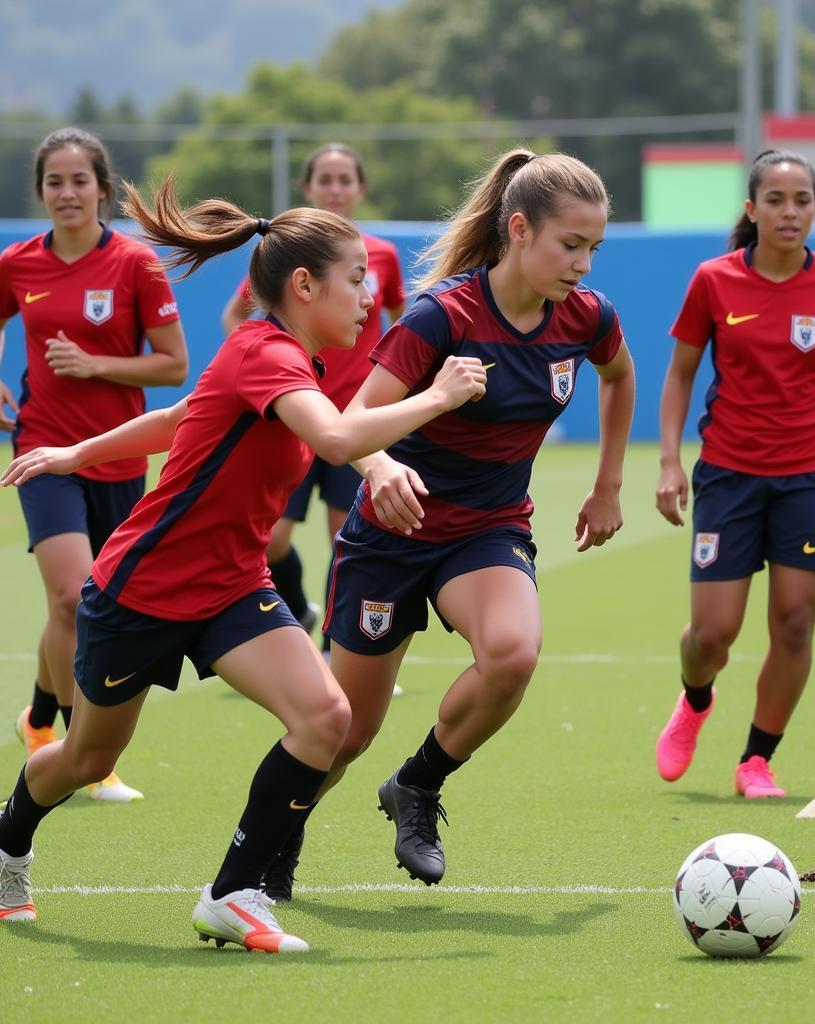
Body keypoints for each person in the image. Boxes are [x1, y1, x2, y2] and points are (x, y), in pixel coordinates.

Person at [0, 179, 487, 949]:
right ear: (303, 285)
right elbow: (329, 438)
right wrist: (439, 397)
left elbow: (196, 419)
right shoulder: (265, 351)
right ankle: (8, 843)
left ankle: (233, 892)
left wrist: (379, 466)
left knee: (327, 717)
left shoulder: (288, 359)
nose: (368, 296)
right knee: (89, 755)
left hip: (231, 587)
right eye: (355, 279)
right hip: (143, 591)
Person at [273, 148, 634, 891]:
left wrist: (608, 485)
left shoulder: (588, 318)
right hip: (392, 536)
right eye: (572, 246)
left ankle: (418, 785)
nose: (584, 266)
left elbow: (620, 376)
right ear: (521, 230)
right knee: (346, 730)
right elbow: (352, 419)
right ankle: (275, 840)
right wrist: (380, 467)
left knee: (513, 655)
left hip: (488, 530)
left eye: (594, 248)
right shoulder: (444, 315)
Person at [654, 149, 815, 799]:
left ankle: (755, 761)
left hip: (808, 477)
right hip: (727, 475)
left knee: (795, 624)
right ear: (752, 209)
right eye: (775, 199)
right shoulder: (713, 281)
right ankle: (694, 699)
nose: (789, 211)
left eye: (801, 200)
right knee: (712, 635)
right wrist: (668, 461)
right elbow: (681, 373)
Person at [0, 127, 188, 803]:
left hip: (116, 454)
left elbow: (174, 363)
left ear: (102, 189)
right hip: (41, 448)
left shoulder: (135, 265)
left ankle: (39, 721)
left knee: (93, 603)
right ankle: (88, 756)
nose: (68, 193)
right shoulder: (18, 263)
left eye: (80, 180)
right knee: (69, 596)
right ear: (41, 191)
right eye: (55, 181)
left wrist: (96, 364)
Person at [222, 144, 407, 649]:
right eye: (325, 179)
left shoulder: (382, 255)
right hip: (297, 420)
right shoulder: (288, 258)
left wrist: (395, 389)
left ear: (360, 189)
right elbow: (238, 314)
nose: (335, 188)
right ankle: (298, 609)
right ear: (308, 189)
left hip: (354, 419)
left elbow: (400, 326)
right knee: (273, 539)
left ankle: (336, 649)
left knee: (344, 541)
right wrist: (262, 371)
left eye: (345, 179)